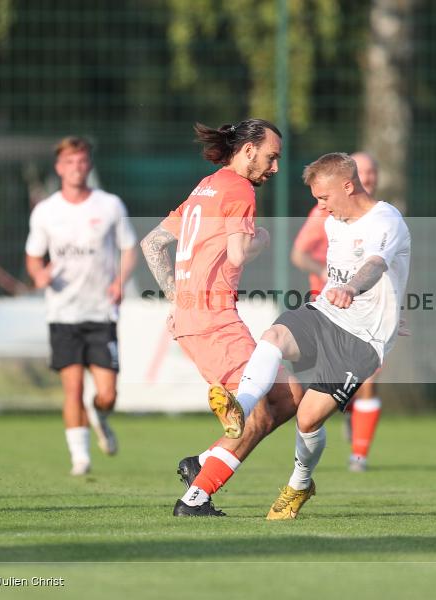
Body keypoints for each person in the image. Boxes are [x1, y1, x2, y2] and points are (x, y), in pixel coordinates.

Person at [210, 152, 411, 519]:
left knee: (307, 420)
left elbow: (376, 265)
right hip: (326, 313)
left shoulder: (386, 220)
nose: (320, 207)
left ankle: (300, 483)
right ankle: (242, 405)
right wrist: (342, 292)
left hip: (363, 338)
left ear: (348, 186)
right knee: (273, 335)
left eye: (324, 198)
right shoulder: (332, 221)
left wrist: (353, 290)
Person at [140, 119, 303, 517]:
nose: (275, 167)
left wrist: (179, 302)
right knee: (262, 411)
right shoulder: (239, 189)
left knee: (284, 399)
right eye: (271, 157)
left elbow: (152, 243)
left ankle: (203, 463)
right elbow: (238, 252)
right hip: (215, 323)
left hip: (200, 319)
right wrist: (262, 239)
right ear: (248, 151)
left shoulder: (205, 187)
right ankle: (196, 497)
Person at [25, 136, 138, 476]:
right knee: (72, 388)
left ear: (89, 164)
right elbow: (33, 258)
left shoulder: (110, 205)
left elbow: (129, 248)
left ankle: (100, 414)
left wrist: (120, 280)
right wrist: (39, 275)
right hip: (63, 313)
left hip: (100, 312)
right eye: (69, 162)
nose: (76, 167)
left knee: (107, 393)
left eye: (81, 161)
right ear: (59, 167)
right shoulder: (46, 211)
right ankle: (80, 459)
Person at [291, 151, 384, 472]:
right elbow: (299, 254)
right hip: (328, 306)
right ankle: (341, 412)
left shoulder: (380, 217)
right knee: (318, 386)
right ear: (350, 180)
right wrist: (332, 278)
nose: (369, 177)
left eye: (373, 172)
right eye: (365, 171)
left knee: (368, 379)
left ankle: (359, 454)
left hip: (367, 310)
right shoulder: (325, 211)